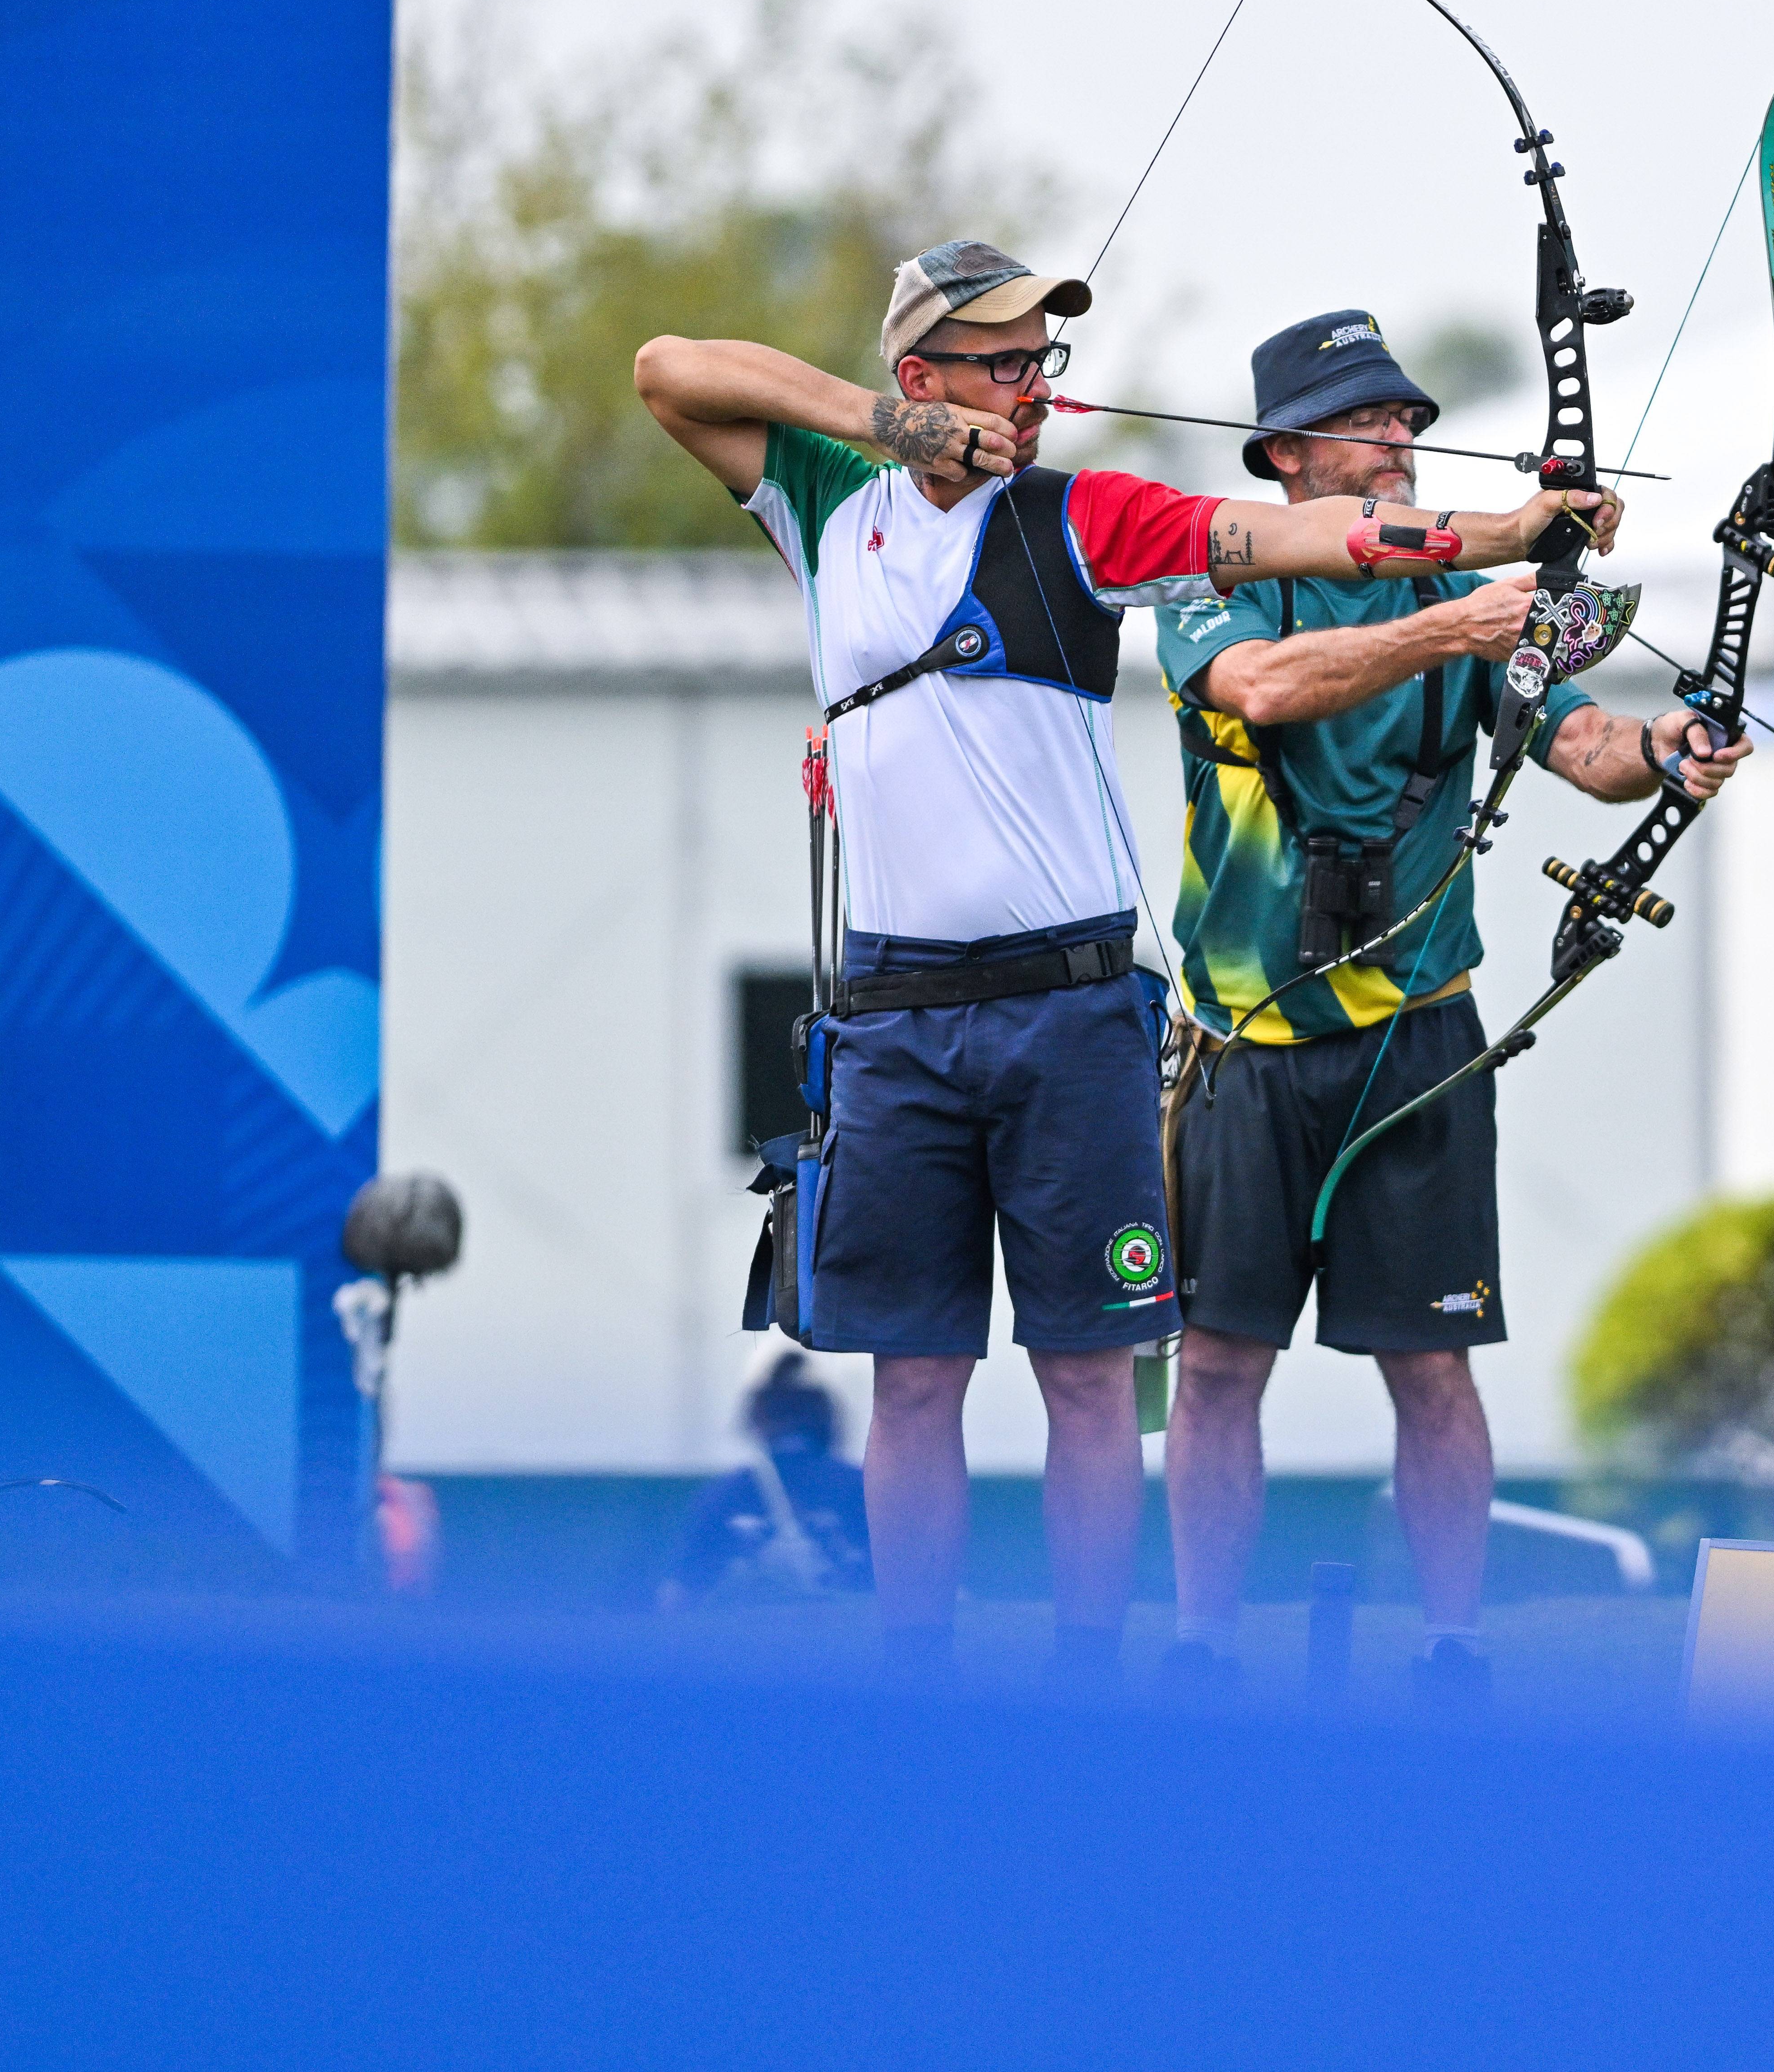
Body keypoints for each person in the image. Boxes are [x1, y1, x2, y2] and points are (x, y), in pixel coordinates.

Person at [632, 243, 1622, 1681]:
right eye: (1006, 363)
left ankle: (1092, 1678)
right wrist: (888, 428)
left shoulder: (1089, 512)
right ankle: (916, 1671)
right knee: (912, 1379)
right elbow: (670, 370)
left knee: (1088, 1376)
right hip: (896, 1011)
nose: (1040, 387)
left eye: (1046, 361)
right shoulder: (831, 500)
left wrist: (1497, 534)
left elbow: (1295, 539)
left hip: (1072, 1009)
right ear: (925, 377)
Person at [1157, 310, 1738, 1709]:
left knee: (1432, 1359)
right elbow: (1263, 688)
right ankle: (1201, 1650)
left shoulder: (1483, 617)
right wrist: (1459, 615)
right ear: (1287, 455)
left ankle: (1452, 1650)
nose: (1403, 439)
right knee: (1220, 1360)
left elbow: (1574, 739)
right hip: (1241, 1030)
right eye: (1368, 420)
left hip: (1417, 1032)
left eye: (1411, 418)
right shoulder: (1208, 573)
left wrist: (1664, 747)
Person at [660, 1353, 872, 1610]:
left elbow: (678, 1594)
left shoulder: (727, 1494)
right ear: (826, 1418)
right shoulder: (862, 1489)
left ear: (758, 1419)